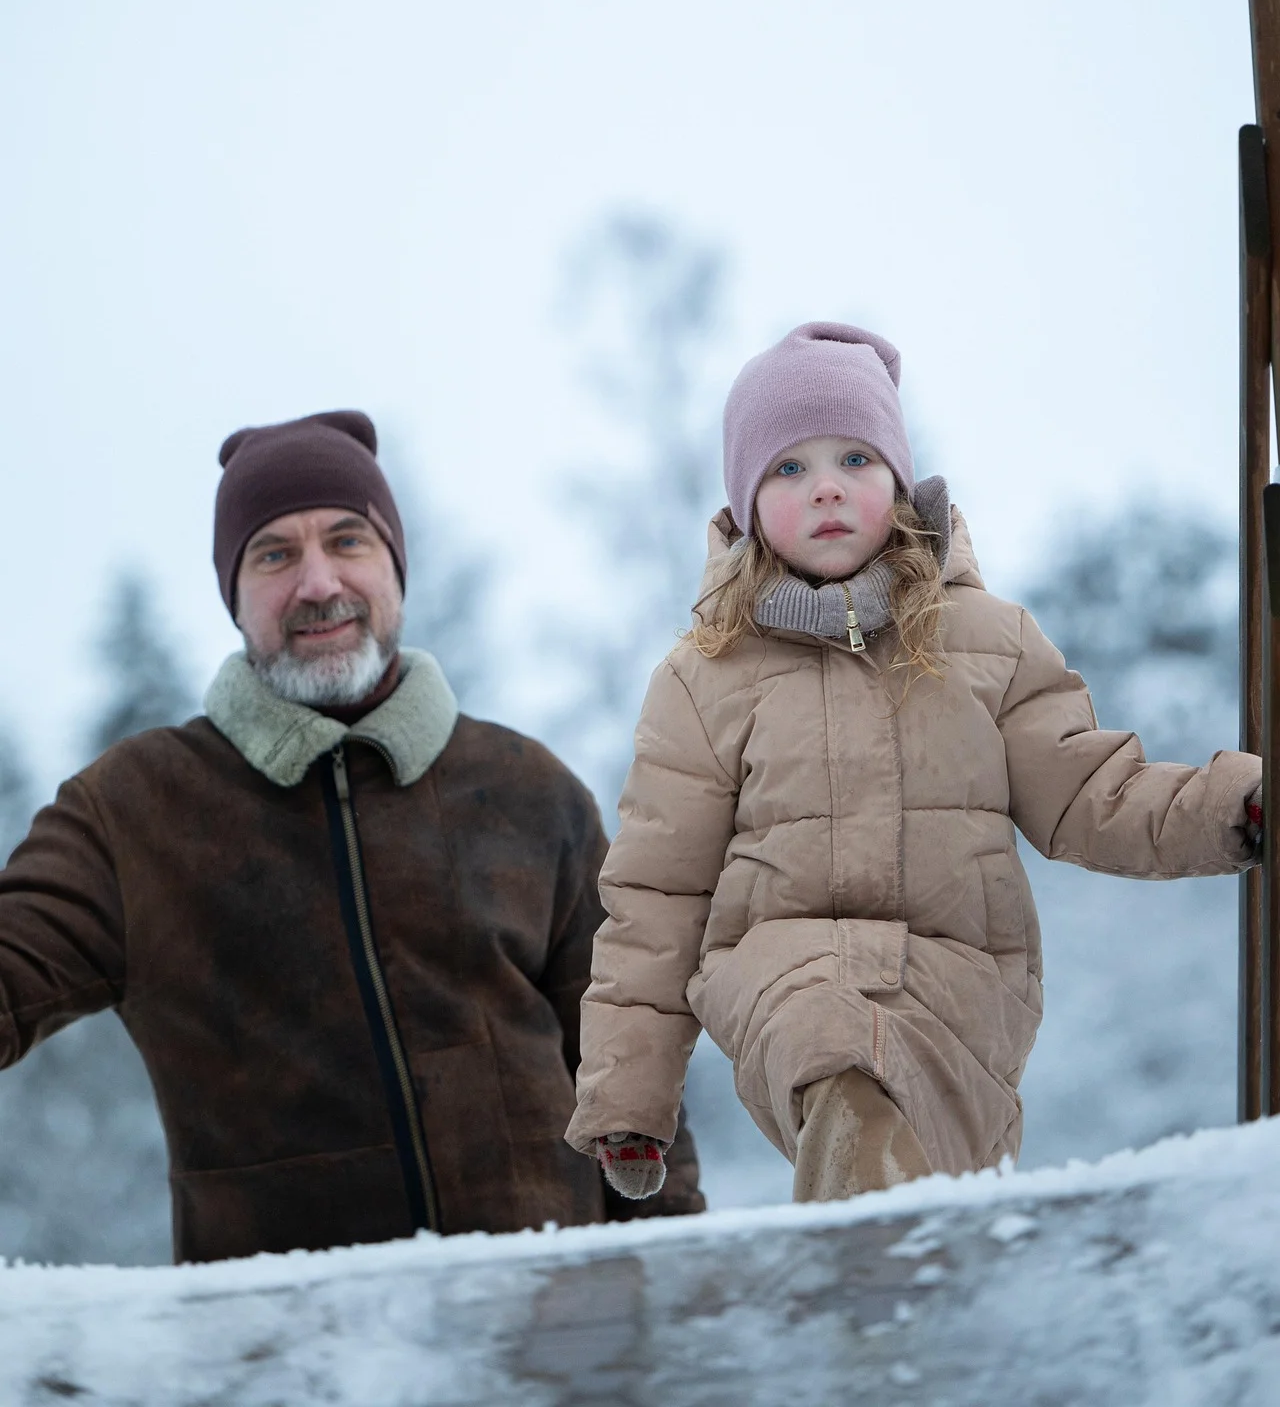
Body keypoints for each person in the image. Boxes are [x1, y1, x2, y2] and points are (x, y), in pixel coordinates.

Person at [567, 323, 1261, 1205]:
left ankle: (902, 1313)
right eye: (788, 467)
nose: (825, 486)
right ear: (744, 506)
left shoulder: (988, 643)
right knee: (842, 1071)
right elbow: (658, 898)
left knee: (940, 1212)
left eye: (855, 457)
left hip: (961, 987)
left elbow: (1094, 796)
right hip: (787, 979)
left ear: (897, 479)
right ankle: (870, 1294)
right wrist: (630, 1099)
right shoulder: (704, 680)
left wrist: (1236, 808)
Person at [0, 409, 702, 1260]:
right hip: (293, 1372)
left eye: (347, 540)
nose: (317, 582)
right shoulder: (134, 812)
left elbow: (631, 1079)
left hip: (549, 1355)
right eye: (275, 554)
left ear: (395, 568)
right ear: (234, 594)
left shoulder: (529, 791)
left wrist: (678, 1285)